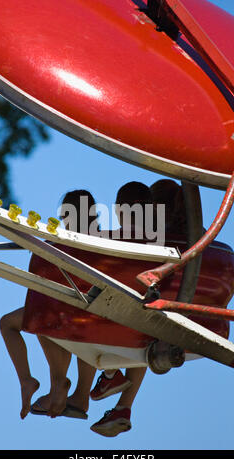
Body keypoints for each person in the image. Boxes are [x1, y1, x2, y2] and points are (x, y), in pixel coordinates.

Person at [0, 189, 98, 420]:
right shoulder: (104, 240)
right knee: (48, 312)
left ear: (65, 216)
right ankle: (61, 387)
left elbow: (37, 278)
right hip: (91, 315)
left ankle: (39, 381)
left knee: (17, 321)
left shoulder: (56, 243)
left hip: (63, 313)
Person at [89, 181, 152, 437]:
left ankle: (110, 371)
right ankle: (123, 404)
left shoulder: (115, 238)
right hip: (154, 321)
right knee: (150, 330)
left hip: (118, 317)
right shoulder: (168, 239)